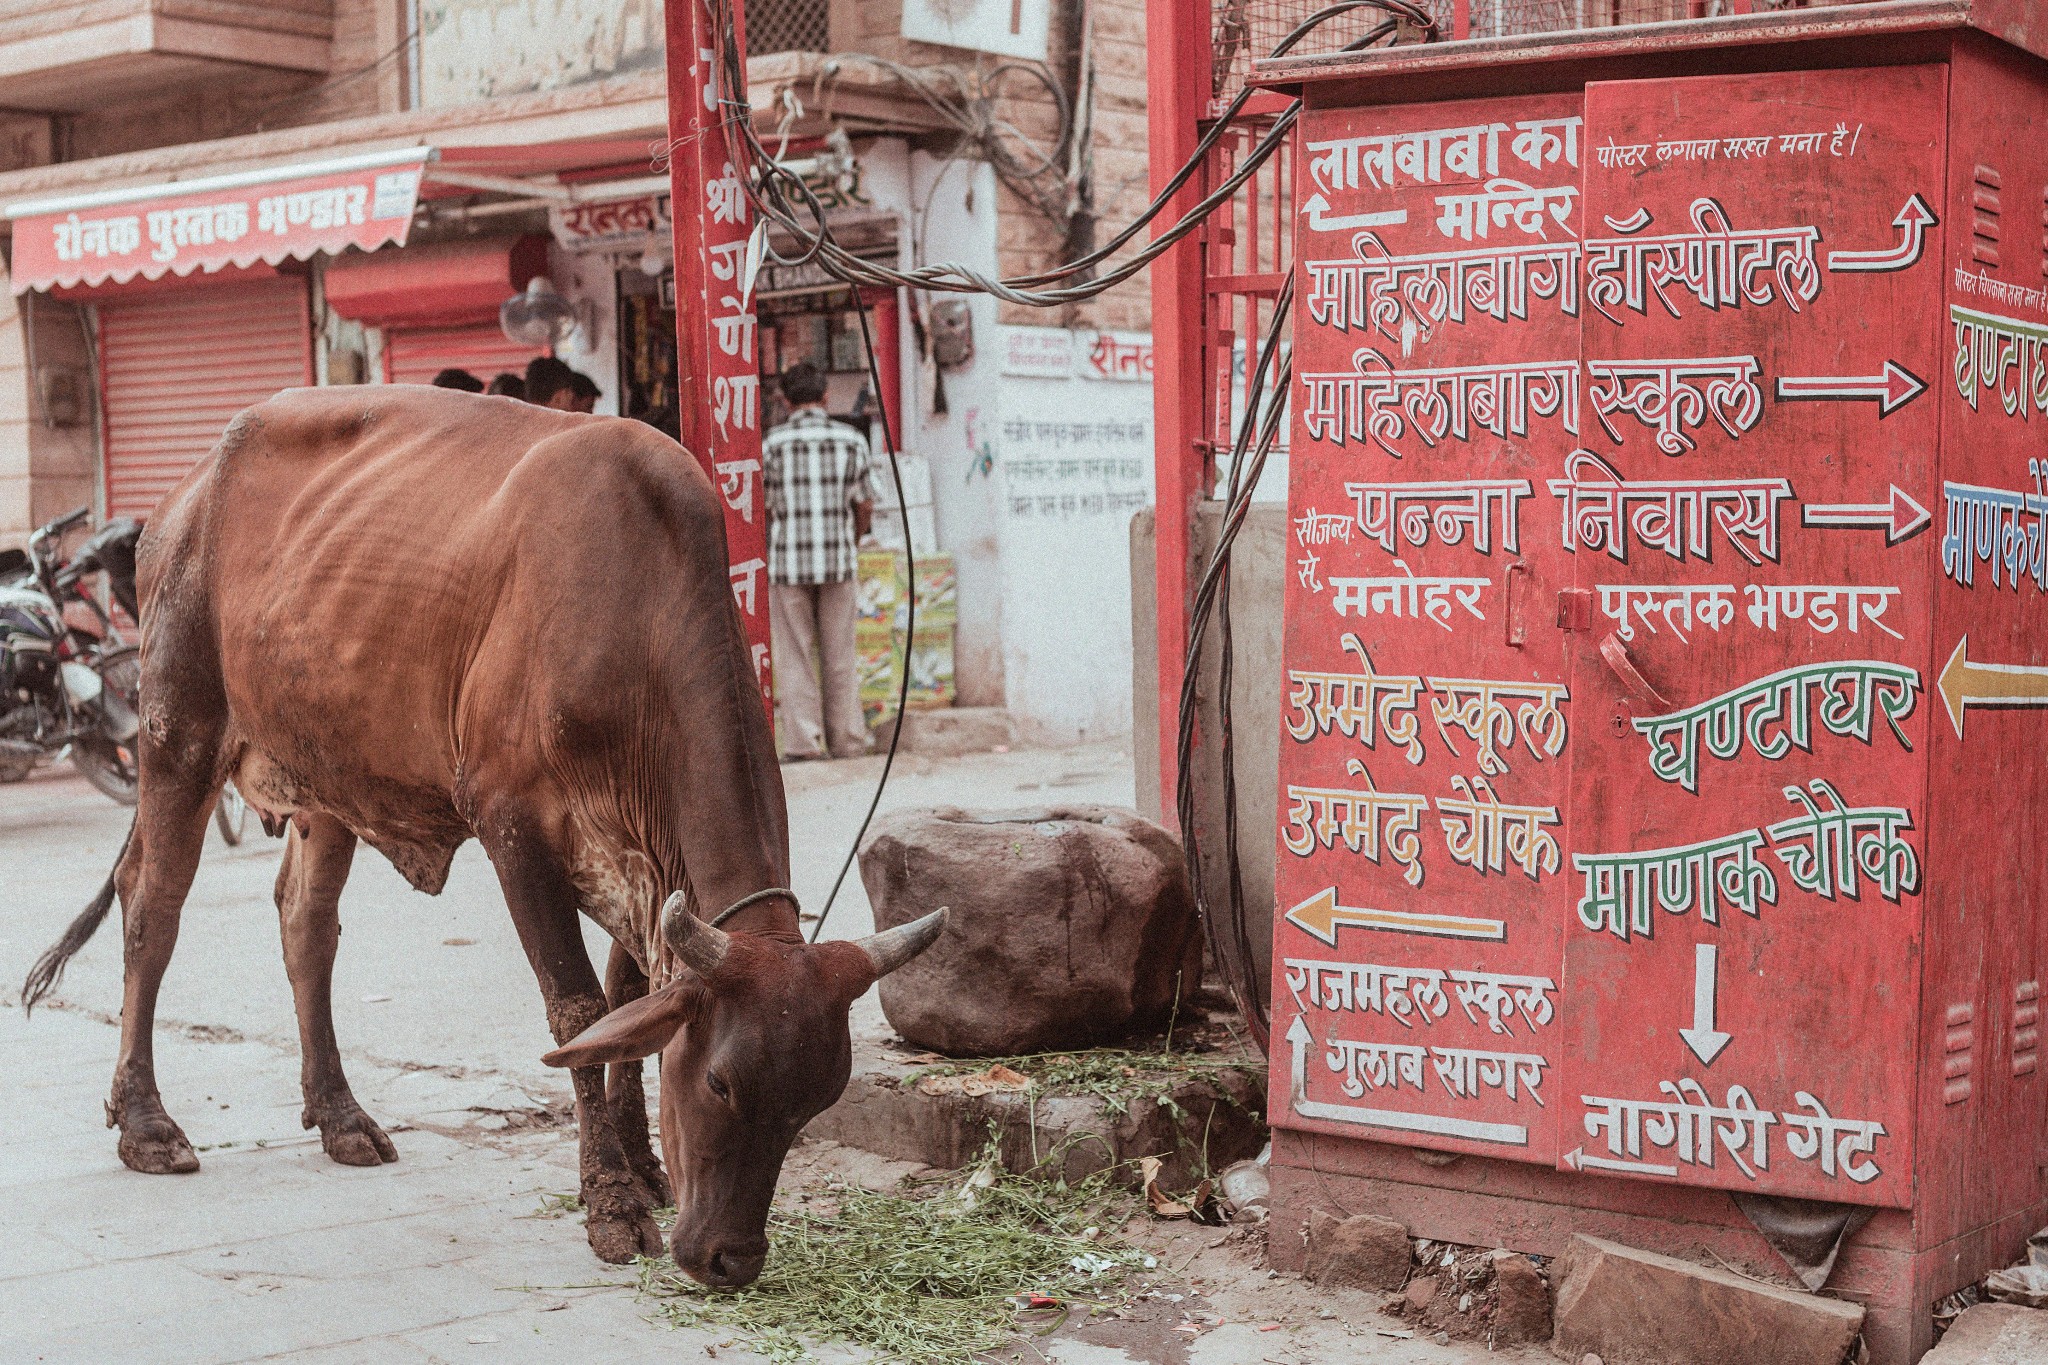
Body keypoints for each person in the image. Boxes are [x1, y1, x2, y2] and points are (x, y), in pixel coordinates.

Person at [762, 361, 873, 761]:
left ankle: (804, 746)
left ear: (784, 401)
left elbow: (765, 509)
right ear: (826, 397)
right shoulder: (852, 440)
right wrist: (852, 541)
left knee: (795, 658)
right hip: (839, 561)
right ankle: (847, 742)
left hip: (787, 564)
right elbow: (865, 504)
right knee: (840, 656)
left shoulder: (771, 444)